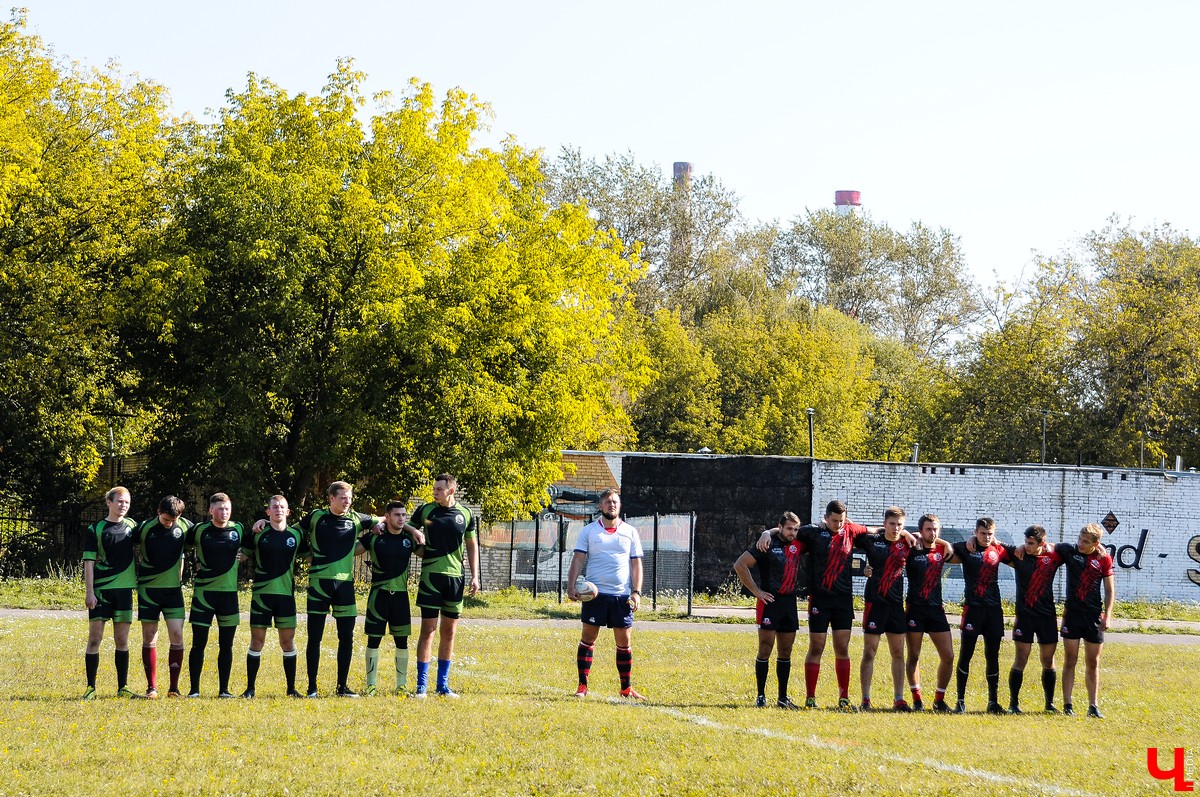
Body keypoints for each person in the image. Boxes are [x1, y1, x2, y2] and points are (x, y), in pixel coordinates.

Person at [756, 500, 915, 710]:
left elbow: (878, 530)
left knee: (842, 647)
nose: (838, 525)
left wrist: (906, 534)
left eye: (841, 521)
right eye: (834, 521)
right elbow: (788, 532)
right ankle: (810, 698)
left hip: (843, 600)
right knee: (817, 646)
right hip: (819, 599)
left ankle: (844, 697)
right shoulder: (813, 532)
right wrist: (767, 532)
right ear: (826, 518)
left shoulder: (851, 530)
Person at [290, 481, 381, 697]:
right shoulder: (315, 516)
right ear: (331, 498)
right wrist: (305, 552)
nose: (347, 502)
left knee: (346, 637)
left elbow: (387, 521)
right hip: (319, 583)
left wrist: (410, 530)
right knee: (315, 637)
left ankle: (342, 687)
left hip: (345, 585)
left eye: (349, 498)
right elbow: (291, 532)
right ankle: (312, 688)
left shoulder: (356, 519)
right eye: (343, 498)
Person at [567, 488, 644, 700]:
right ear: (600, 506)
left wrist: (636, 592)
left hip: (621, 596)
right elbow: (578, 559)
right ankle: (582, 686)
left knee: (624, 642)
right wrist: (571, 585)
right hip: (595, 596)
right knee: (588, 639)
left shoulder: (630, 532)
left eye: (615, 502)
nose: (612, 505)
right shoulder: (589, 531)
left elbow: (636, 563)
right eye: (608, 502)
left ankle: (626, 688)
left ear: (620, 506)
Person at [411, 473, 481, 698]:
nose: (435, 492)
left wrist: (475, 575)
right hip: (431, 577)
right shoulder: (425, 511)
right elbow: (404, 528)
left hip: (455, 578)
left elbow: (471, 544)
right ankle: (421, 687)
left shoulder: (466, 514)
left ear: (451, 490)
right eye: (434, 488)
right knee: (428, 630)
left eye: (439, 489)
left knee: (449, 632)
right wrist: (415, 533)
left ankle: (442, 685)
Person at [732, 512, 807, 709]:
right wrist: (757, 591)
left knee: (786, 651)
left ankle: (782, 698)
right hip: (769, 602)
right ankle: (761, 696)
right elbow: (740, 564)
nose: (792, 532)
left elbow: (822, 528)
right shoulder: (767, 544)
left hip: (789, 603)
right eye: (789, 528)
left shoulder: (800, 542)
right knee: (765, 647)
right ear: (780, 527)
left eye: (795, 529)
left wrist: (767, 530)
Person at [356, 501, 424, 696]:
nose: (401, 518)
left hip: (401, 598)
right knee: (373, 641)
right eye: (397, 515)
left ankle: (401, 685)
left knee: (401, 642)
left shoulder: (408, 539)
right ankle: (371, 686)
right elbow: (350, 550)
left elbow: (426, 553)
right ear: (387, 516)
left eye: (404, 515)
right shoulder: (375, 537)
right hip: (378, 596)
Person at [240, 494, 305, 698]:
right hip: (262, 595)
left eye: (282, 507)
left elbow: (312, 555)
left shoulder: (296, 535)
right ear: (268, 511)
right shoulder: (258, 533)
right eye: (274, 507)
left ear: (288, 512)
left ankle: (291, 689)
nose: (278, 509)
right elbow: (242, 554)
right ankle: (250, 689)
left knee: (288, 643)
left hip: (286, 596)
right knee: (256, 641)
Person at [854, 506, 916, 711]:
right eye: (892, 524)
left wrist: (906, 533)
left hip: (896, 605)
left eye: (900, 525)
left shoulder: (907, 543)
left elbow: (932, 539)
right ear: (884, 523)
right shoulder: (873, 541)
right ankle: (865, 699)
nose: (896, 528)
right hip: (875, 603)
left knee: (898, 653)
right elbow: (852, 531)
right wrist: (864, 569)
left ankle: (899, 698)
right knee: (869, 652)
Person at [185, 493, 245, 698]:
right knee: (198, 643)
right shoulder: (200, 530)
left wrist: (243, 555)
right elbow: (180, 546)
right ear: (211, 510)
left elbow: (253, 548)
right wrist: (194, 564)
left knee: (226, 645)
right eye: (220, 508)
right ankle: (194, 690)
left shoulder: (238, 529)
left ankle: (224, 690)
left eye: (227, 508)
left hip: (229, 595)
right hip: (204, 594)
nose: (224, 512)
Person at [132, 495, 192, 698]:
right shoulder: (144, 528)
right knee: (149, 637)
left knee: (177, 635)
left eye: (173, 520)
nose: (170, 523)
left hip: (173, 591)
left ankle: (174, 688)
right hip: (148, 590)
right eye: (166, 519)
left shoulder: (185, 527)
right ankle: (152, 687)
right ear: (158, 512)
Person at [82, 486, 138, 699]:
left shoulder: (133, 526)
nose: (123, 506)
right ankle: (90, 688)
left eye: (127, 502)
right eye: (120, 501)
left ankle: (122, 688)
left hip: (124, 591)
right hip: (102, 591)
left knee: (122, 640)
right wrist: (89, 592)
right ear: (109, 502)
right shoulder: (95, 529)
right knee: (95, 639)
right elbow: (88, 562)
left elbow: (160, 530)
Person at [1002, 524, 1064, 713]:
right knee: (1021, 658)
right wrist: (972, 539)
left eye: (1030, 543)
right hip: (1025, 617)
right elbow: (994, 545)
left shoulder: (1053, 557)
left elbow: (1074, 549)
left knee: (1048, 659)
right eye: (1025, 542)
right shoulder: (1018, 555)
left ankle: (1049, 704)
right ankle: (1013, 704)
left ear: (1041, 543)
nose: (1026, 546)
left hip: (1047, 617)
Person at [950, 517, 1009, 714]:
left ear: (994, 533)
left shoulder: (999, 549)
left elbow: (1023, 551)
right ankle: (960, 700)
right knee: (966, 654)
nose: (986, 537)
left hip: (993, 611)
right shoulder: (967, 548)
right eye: (982, 533)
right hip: (972, 609)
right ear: (976, 532)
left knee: (992, 656)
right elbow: (946, 547)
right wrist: (968, 540)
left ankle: (993, 702)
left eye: (990, 534)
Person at [1056, 523, 1115, 718]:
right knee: (1070, 660)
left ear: (1096, 543)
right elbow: (1042, 546)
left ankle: (1093, 706)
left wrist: (1108, 615)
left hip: (1093, 617)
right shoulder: (1069, 551)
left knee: (1093, 662)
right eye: (1080, 539)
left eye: (1086, 542)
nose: (1081, 543)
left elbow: (1109, 590)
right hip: (1072, 615)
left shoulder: (1103, 558)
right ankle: (1067, 704)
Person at [903, 513, 956, 712]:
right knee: (914, 655)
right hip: (915, 609)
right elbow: (897, 533)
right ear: (921, 530)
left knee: (948, 656)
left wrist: (944, 542)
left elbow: (966, 546)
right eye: (928, 529)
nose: (932, 533)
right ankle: (917, 699)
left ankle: (939, 700)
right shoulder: (911, 548)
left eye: (935, 529)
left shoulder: (943, 549)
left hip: (936, 610)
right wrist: (913, 534)